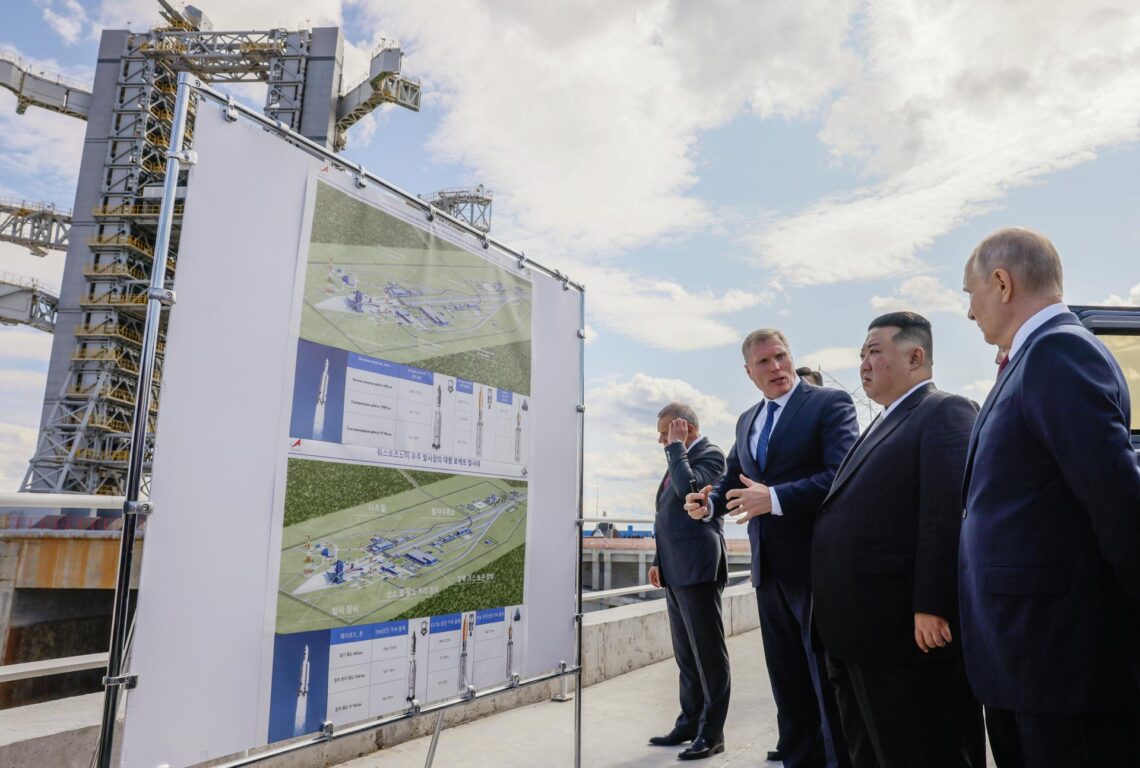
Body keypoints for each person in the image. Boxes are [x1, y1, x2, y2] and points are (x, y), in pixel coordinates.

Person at [959, 227, 1140, 767]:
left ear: (1002, 282)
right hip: (1029, 655)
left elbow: (1117, 502)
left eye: (970, 293)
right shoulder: (1033, 356)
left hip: (1059, 660)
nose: (970, 312)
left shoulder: (1058, 351)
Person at [811, 312, 984, 768]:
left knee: (920, 750)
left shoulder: (944, 411)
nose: (863, 364)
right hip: (856, 632)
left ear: (915, 356)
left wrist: (934, 603)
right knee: (869, 752)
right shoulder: (884, 421)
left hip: (904, 637)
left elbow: (945, 512)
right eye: (861, 355)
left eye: (874, 351)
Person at [686, 329, 858, 768]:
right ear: (749, 372)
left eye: (781, 356)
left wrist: (775, 498)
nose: (777, 367)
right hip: (769, 573)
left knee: (828, 686)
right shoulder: (747, 421)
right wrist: (707, 506)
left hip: (817, 569)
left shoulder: (829, 403)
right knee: (789, 688)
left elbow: (841, 475)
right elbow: (732, 481)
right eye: (764, 362)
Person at [646, 403, 730, 761]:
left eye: (667, 432)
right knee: (686, 655)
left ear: (687, 430)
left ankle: (712, 733)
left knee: (708, 654)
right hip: (675, 567)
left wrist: (675, 448)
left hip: (697, 567)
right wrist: (657, 560)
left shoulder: (709, 455)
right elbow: (665, 514)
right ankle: (689, 721)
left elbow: (690, 492)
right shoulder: (676, 457)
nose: (662, 440)